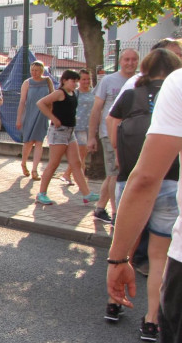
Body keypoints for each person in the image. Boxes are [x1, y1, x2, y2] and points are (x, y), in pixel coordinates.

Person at [106, 67, 182, 343]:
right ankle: (151, 318)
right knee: (158, 253)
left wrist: (118, 258)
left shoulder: (178, 84)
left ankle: (150, 317)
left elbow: (145, 178)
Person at [33, 70, 100, 205]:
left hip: (70, 132)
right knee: (54, 164)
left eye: (76, 81)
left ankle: (86, 194)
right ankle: (41, 193)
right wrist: (53, 118)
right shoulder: (60, 93)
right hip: (59, 132)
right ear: (64, 80)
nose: (75, 84)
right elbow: (41, 103)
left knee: (76, 163)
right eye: (72, 81)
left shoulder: (73, 93)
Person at [88, 49, 140, 224]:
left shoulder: (140, 82)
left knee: (112, 175)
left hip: (132, 135)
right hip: (110, 133)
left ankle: (100, 208)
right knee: (116, 174)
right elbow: (96, 110)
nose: (130, 63)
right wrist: (91, 136)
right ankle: (116, 213)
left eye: (134, 59)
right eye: (126, 59)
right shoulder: (109, 81)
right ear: (120, 61)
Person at [15, 61, 54, 180]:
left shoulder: (47, 81)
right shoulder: (27, 83)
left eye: (37, 70)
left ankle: (34, 170)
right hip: (29, 114)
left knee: (39, 142)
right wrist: (19, 119)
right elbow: (22, 101)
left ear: (41, 70)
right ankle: (24, 163)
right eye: (32, 70)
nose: (34, 72)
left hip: (42, 115)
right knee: (28, 142)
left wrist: (51, 115)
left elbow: (52, 98)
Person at [60, 69, 94, 185]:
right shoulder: (76, 93)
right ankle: (76, 176)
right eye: (83, 79)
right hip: (79, 126)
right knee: (82, 152)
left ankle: (71, 174)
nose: (86, 81)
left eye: (88, 79)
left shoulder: (94, 92)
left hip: (90, 126)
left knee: (83, 153)